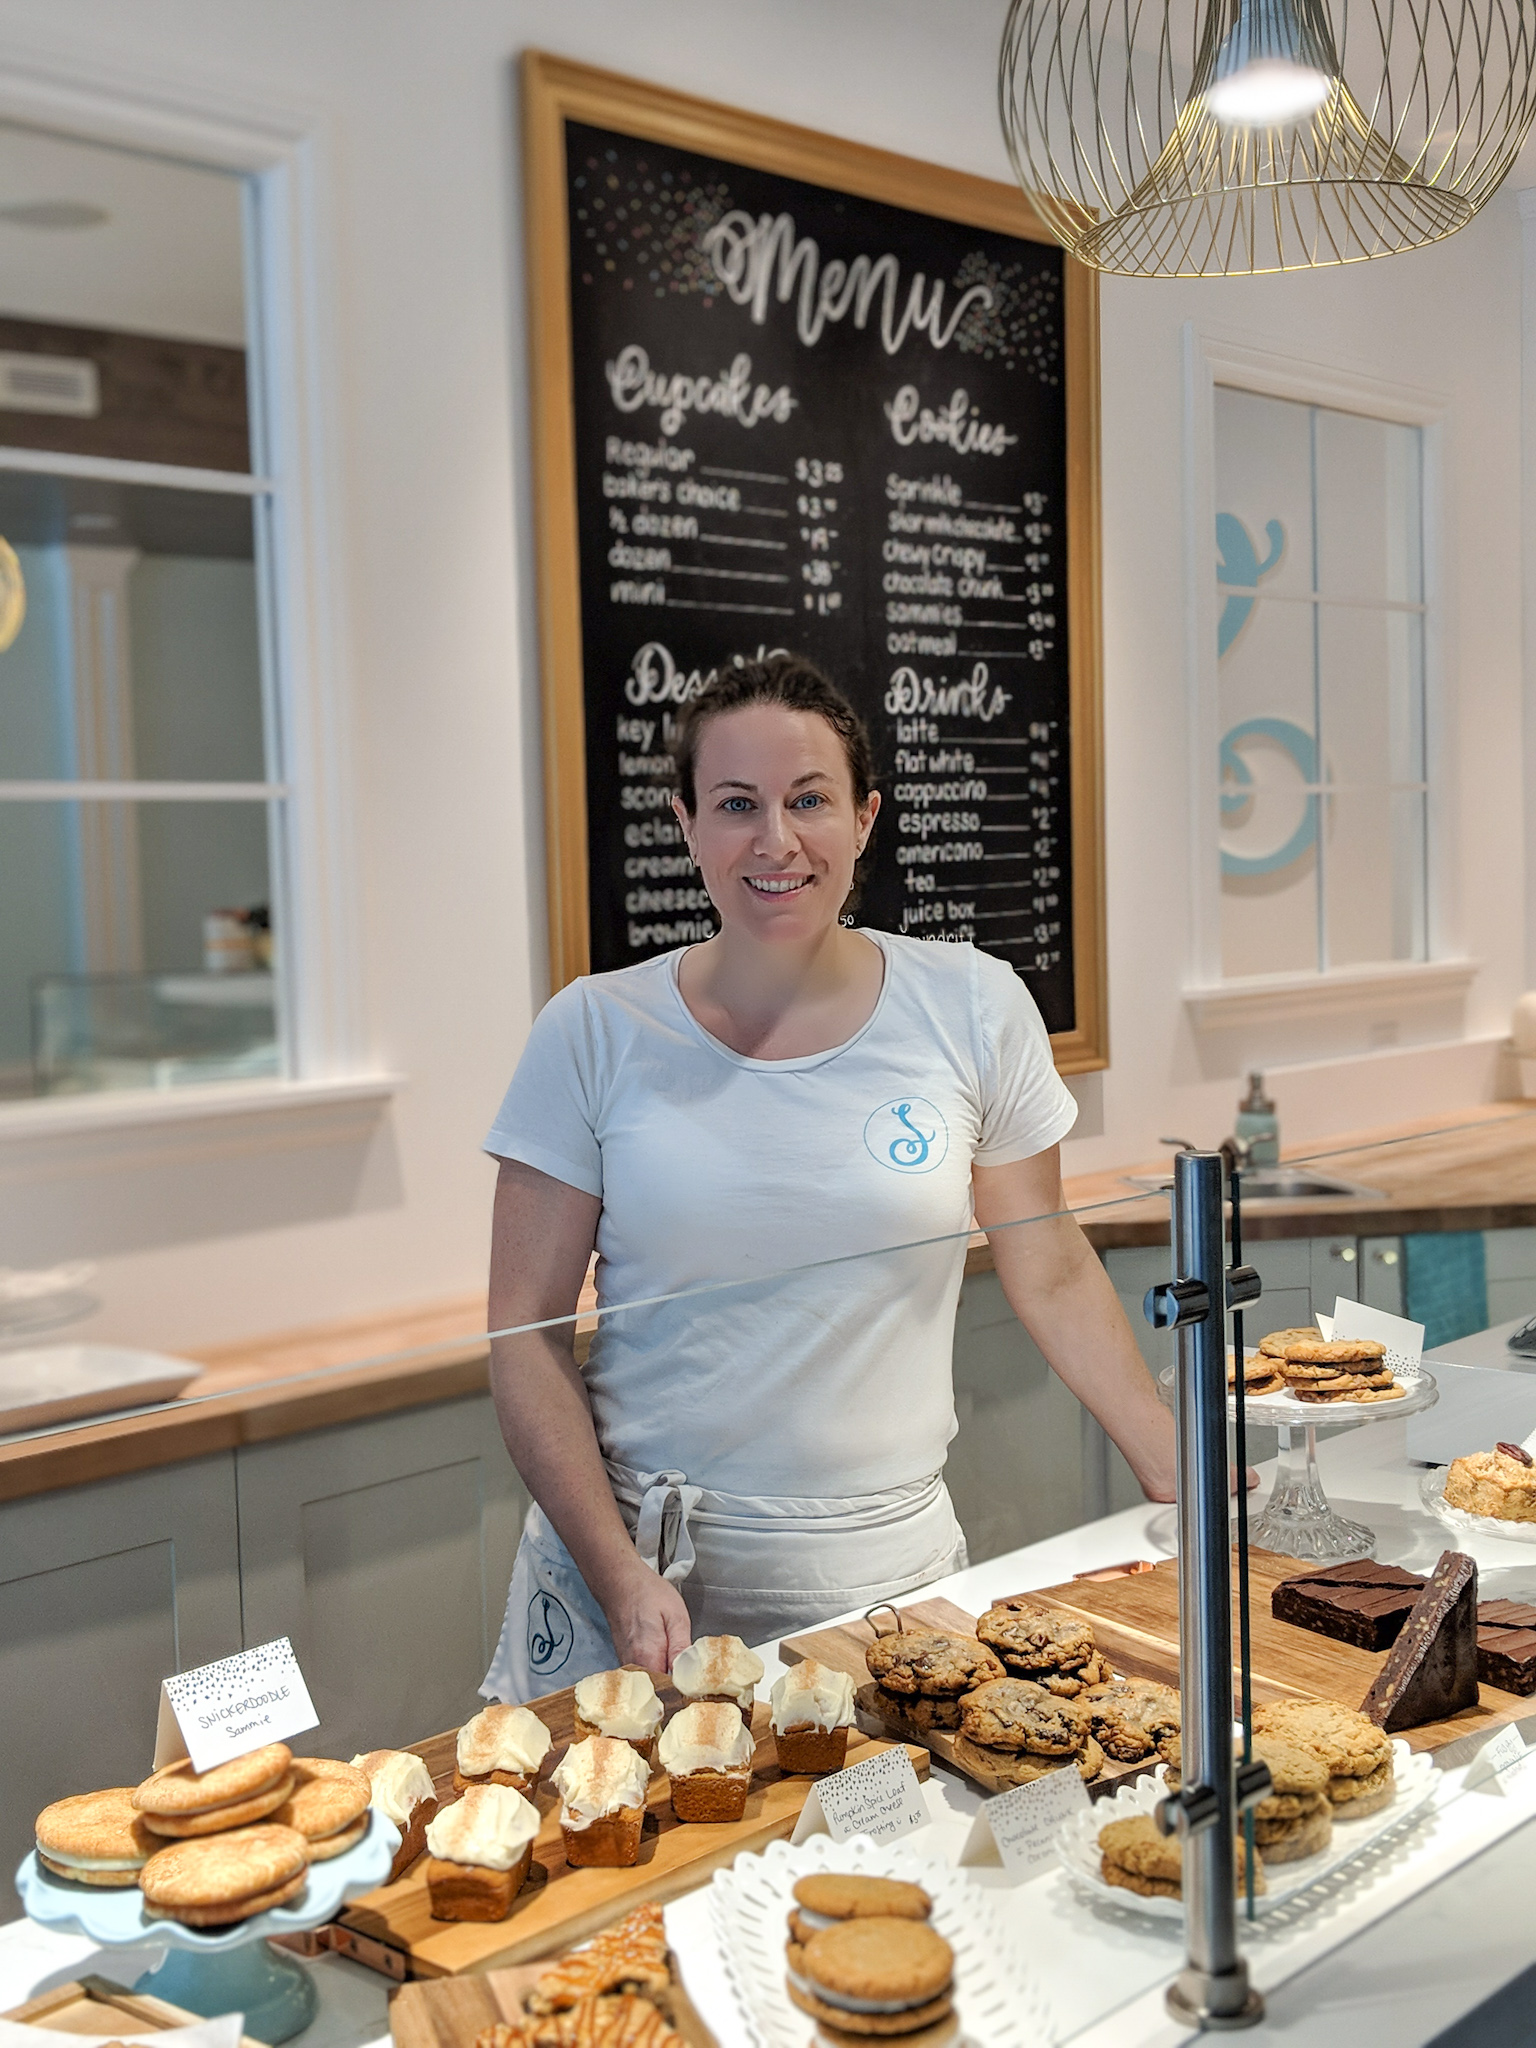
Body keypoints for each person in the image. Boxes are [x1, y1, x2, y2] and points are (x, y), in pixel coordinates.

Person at [480, 654, 1175, 1700]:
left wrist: (1174, 1461)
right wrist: (616, 1570)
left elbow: (1052, 1261)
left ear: (865, 817)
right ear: (686, 824)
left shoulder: (974, 1006)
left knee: (884, 1854)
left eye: (809, 799)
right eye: (736, 804)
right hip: (642, 1567)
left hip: (881, 1566)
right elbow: (524, 1333)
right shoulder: (591, 1030)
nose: (776, 839)